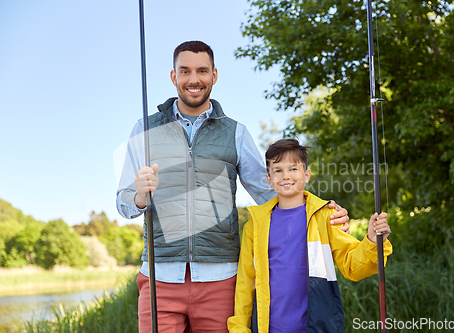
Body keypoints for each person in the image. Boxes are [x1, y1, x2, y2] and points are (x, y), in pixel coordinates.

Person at [116, 41, 351, 333]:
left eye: (202, 71)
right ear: (173, 76)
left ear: (214, 75)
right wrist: (140, 195)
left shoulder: (236, 133)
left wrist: (323, 211)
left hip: (221, 279)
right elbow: (123, 203)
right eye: (185, 71)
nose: (194, 79)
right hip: (159, 278)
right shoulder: (145, 130)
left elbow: (275, 194)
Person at [227, 138, 393, 333]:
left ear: (306, 175)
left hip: (316, 327)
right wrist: (239, 329)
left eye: (293, 169)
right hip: (269, 328)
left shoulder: (325, 216)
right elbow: (245, 285)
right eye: (278, 170)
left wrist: (373, 241)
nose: (285, 176)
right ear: (269, 179)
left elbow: (353, 266)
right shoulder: (254, 225)